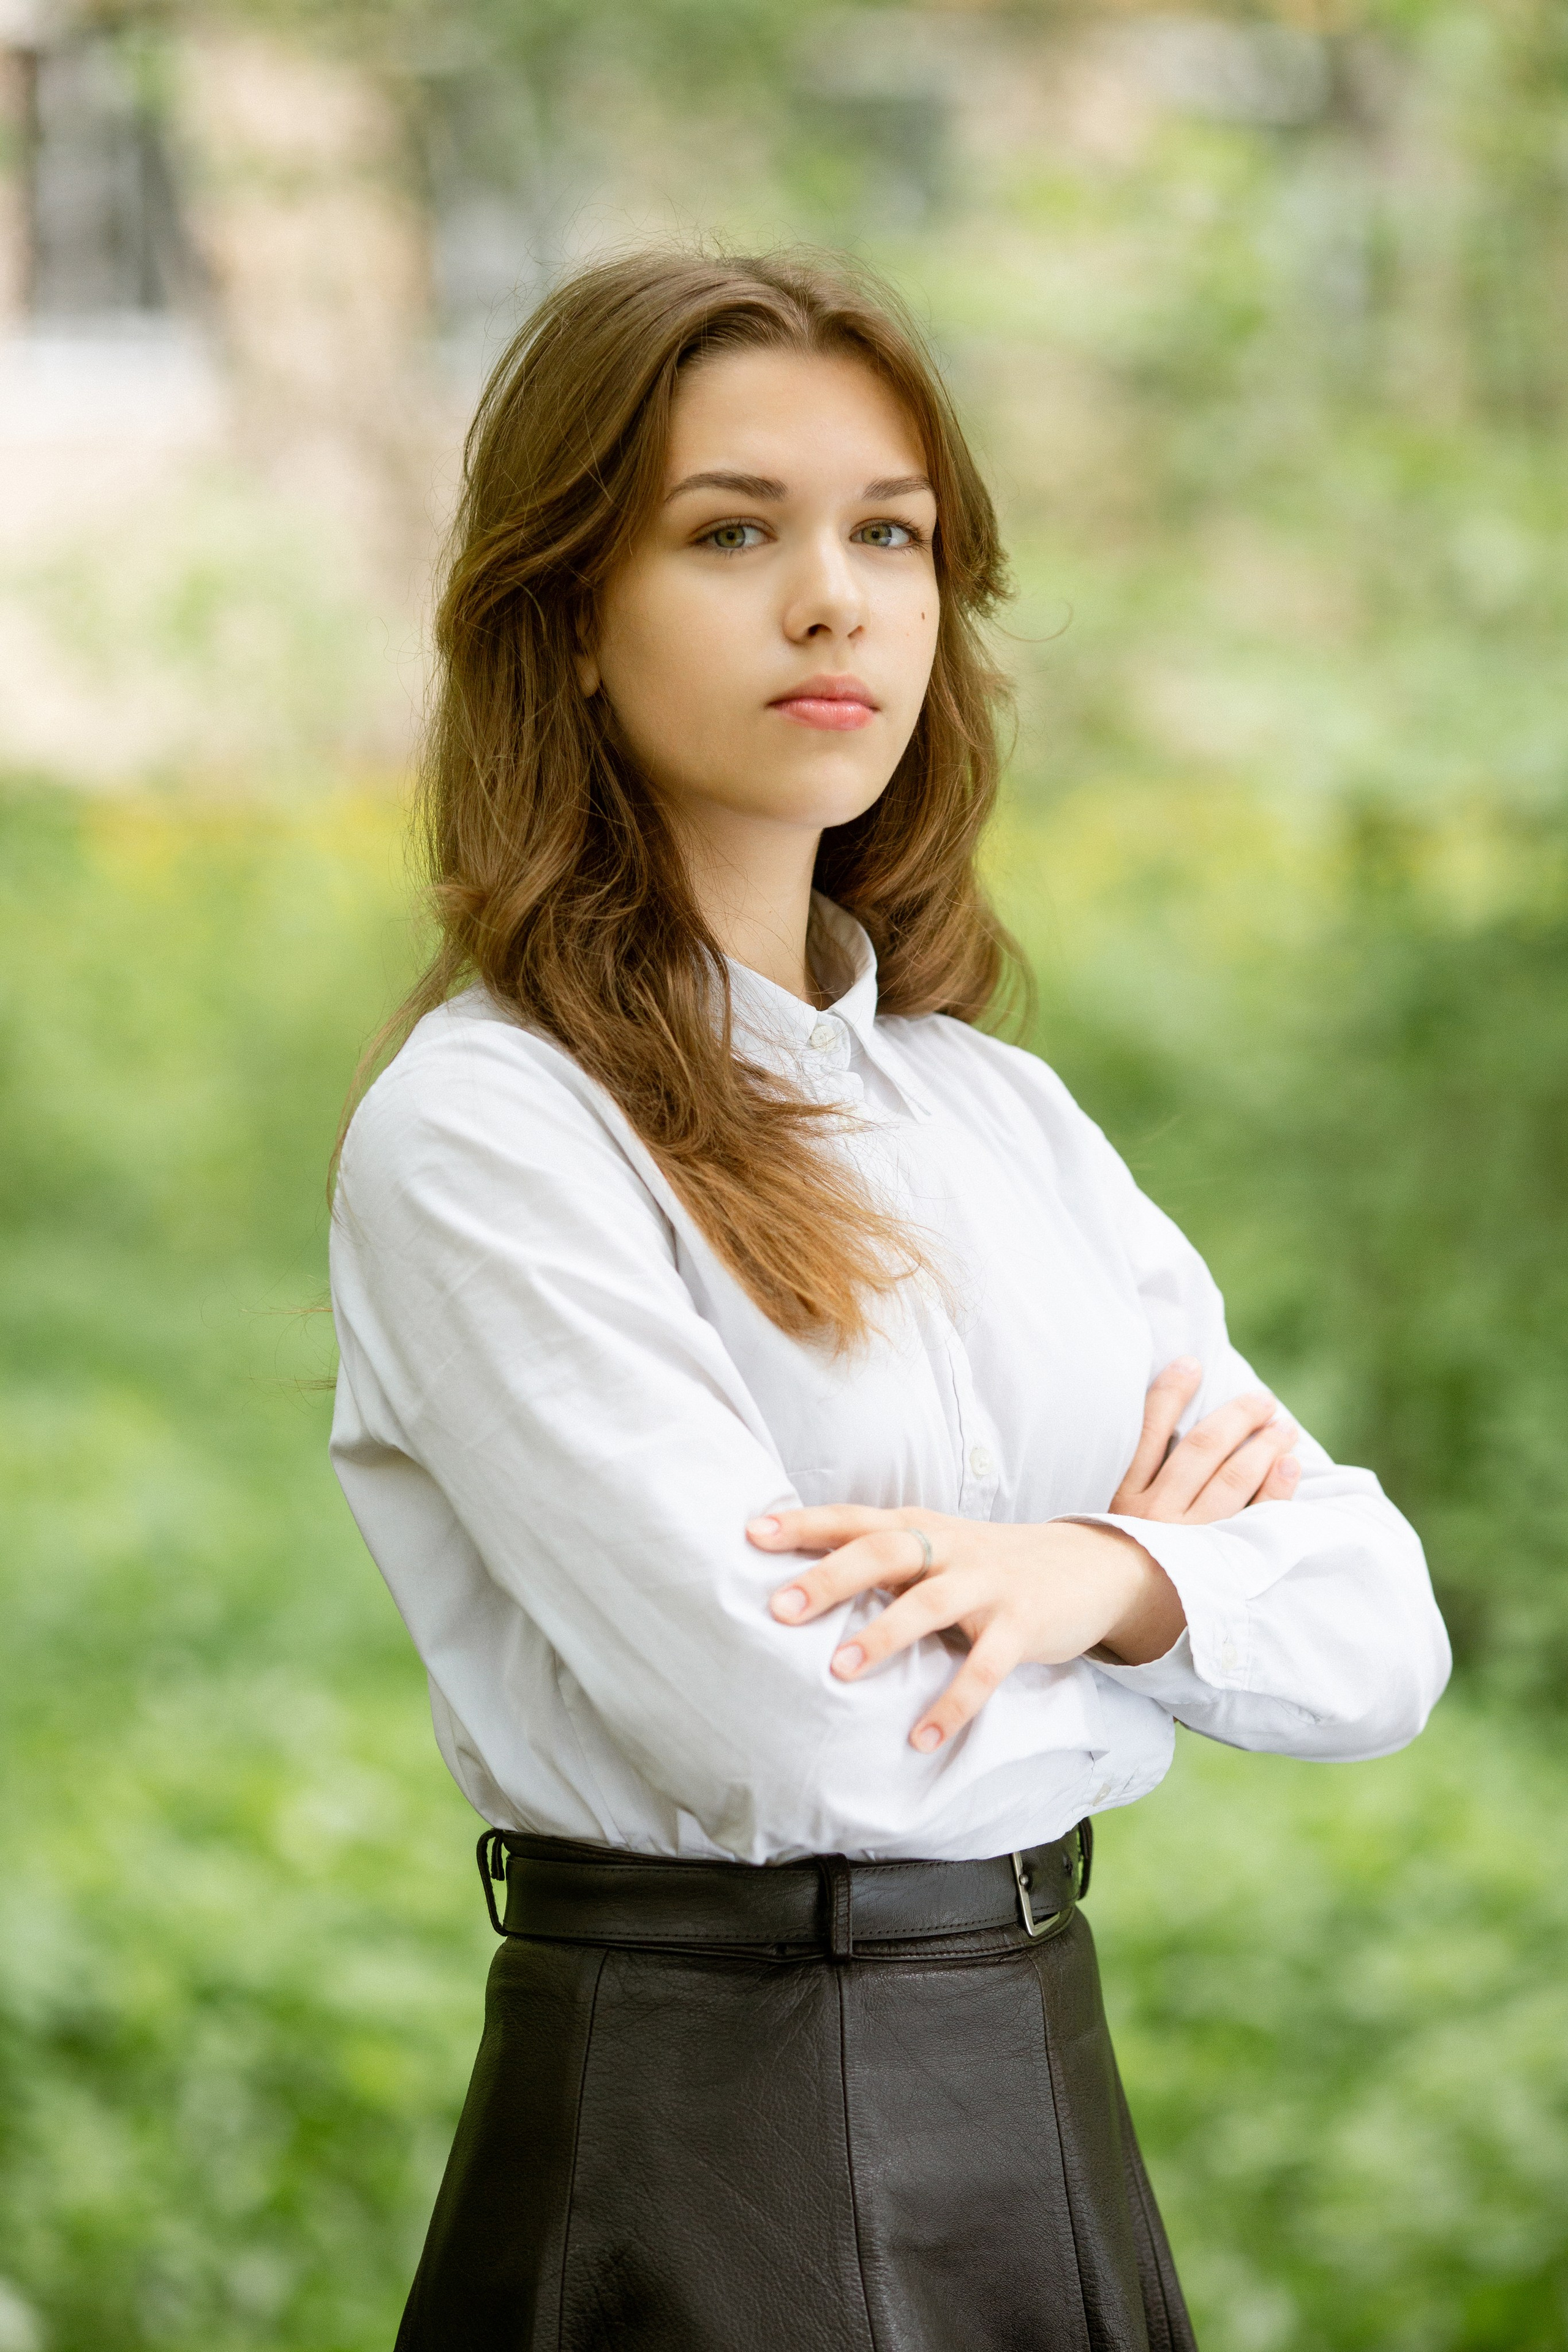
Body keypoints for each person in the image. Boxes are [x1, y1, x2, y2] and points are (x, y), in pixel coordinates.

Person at [328, 249, 1450, 2352]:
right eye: (731, 531)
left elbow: (1382, 1627)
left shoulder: (995, 1113)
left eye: (893, 535)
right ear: (570, 617)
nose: (834, 599)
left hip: (1042, 2084)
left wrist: (1077, 1574)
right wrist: (1182, 1605)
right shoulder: (490, 1128)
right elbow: (794, 1731)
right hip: (699, 2112)